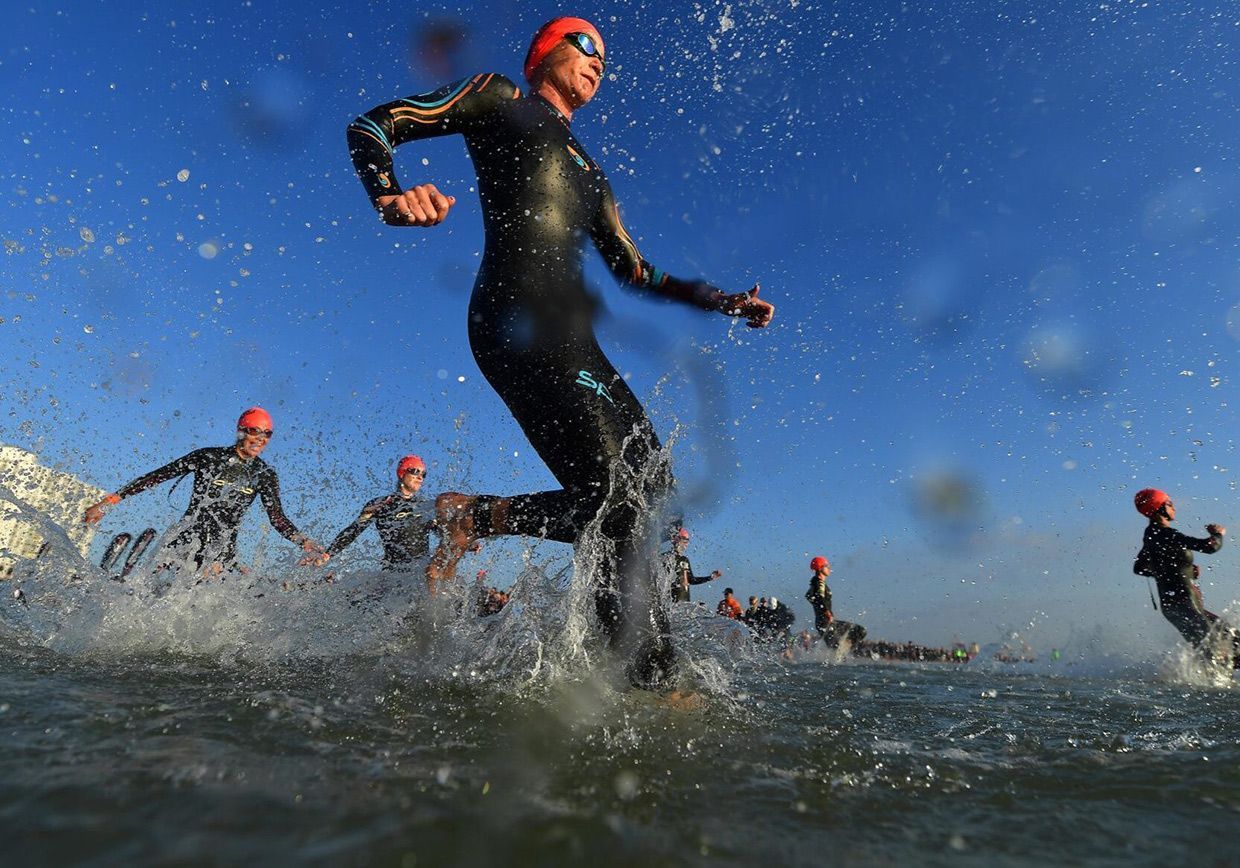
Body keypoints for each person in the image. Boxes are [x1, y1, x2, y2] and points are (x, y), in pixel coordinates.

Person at [347, 17, 773, 687]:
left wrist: (724, 301)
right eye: (586, 46)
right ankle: (649, 687)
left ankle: (479, 515)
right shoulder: (500, 100)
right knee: (617, 499)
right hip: (515, 322)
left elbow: (637, 273)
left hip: (574, 338)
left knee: (649, 492)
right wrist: (390, 197)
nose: (599, 61)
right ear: (546, 50)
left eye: (605, 57)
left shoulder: (592, 174)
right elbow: (373, 125)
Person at [83, 407, 322, 576]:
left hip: (221, 550)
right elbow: (157, 476)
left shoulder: (265, 474)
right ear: (241, 431)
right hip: (186, 538)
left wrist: (305, 543)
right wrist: (106, 504)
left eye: (267, 434)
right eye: (254, 431)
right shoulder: (208, 457)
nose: (260, 439)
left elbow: (277, 518)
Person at [1132, 488, 1239, 667]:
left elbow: (1139, 568)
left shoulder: (1151, 535)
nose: (1174, 507)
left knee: (1231, 643)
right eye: (1170, 504)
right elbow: (1209, 547)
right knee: (1215, 656)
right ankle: (1201, 688)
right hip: (1185, 606)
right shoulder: (1167, 534)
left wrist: (1183, 570)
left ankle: (1204, 684)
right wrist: (1217, 534)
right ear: (1159, 507)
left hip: (1177, 606)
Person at [306, 455, 435, 573]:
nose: (420, 477)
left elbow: (448, 536)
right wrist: (327, 554)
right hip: (392, 573)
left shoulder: (427, 506)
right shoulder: (380, 504)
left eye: (424, 474)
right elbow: (353, 530)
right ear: (402, 473)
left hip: (420, 574)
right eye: (416, 472)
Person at [666, 527, 723, 603]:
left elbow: (691, 580)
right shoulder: (667, 558)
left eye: (688, 541)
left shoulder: (684, 560)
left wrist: (710, 577)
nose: (687, 544)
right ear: (676, 539)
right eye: (685, 540)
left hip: (684, 602)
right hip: (671, 602)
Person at [805, 555, 833, 639]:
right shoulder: (819, 583)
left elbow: (809, 596)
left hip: (822, 622)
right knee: (859, 631)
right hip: (825, 621)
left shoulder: (816, 583)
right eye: (827, 566)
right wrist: (826, 612)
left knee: (834, 647)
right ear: (820, 568)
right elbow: (819, 597)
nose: (829, 568)